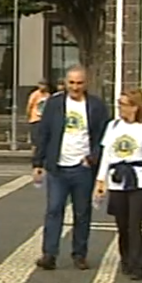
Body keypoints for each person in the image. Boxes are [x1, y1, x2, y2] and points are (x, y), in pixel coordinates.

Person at [32, 65, 110, 271]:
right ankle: (49, 254)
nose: (75, 87)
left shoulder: (96, 106)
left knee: (82, 213)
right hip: (58, 167)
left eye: (79, 83)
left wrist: (93, 157)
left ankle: (79, 254)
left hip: (83, 168)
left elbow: (103, 136)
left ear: (86, 83)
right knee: (54, 209)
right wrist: (38, 163)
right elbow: (44, 133)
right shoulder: (54, 104)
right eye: (72, 83)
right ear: (66, 83)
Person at [93, 88, 142, 281]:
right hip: (117, 179)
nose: (120, 107)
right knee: (122, 224)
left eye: (123, 104)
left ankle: (139, 266)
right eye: (119, 103)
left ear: (135, 107)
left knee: (134, 224)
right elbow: (106, 154)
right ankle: (126, 259)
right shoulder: (113, 126)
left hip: (139, 179)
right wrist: (100, 180)